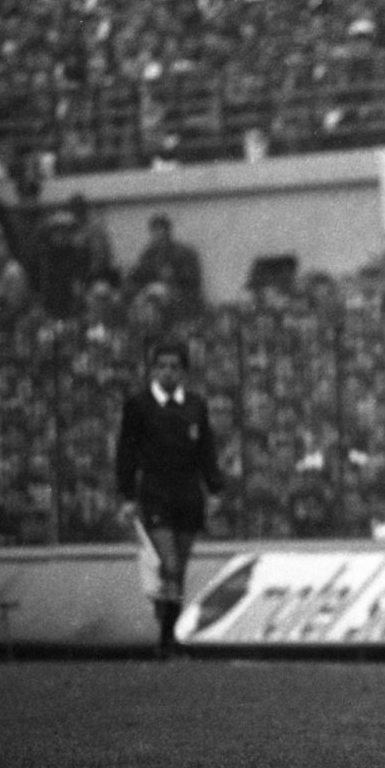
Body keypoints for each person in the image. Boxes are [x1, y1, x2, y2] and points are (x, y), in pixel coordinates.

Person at [116, 339, 224, 658]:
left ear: (184, 371)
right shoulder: (139, 405)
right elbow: (126, 452)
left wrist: (214, 489)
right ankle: (166, 637)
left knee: (180, 567)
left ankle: (168, 636)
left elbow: (206, 450)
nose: (167, 372)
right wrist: (127, 495)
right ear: (153, 370)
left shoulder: (195, 405)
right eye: (161, 366)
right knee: (169, 563)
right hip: (156, 493)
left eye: (174, 367)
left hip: (189, 495)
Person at [128, 213, 204, 314]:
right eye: (155, 232)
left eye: (161, 231)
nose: (158, 236)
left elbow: (191, 279)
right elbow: (139, 274)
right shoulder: (148, 254)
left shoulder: (183, 253)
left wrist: (174, 275)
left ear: (168, 232)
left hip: (177, 294)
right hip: (152, 294)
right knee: (140, 303)